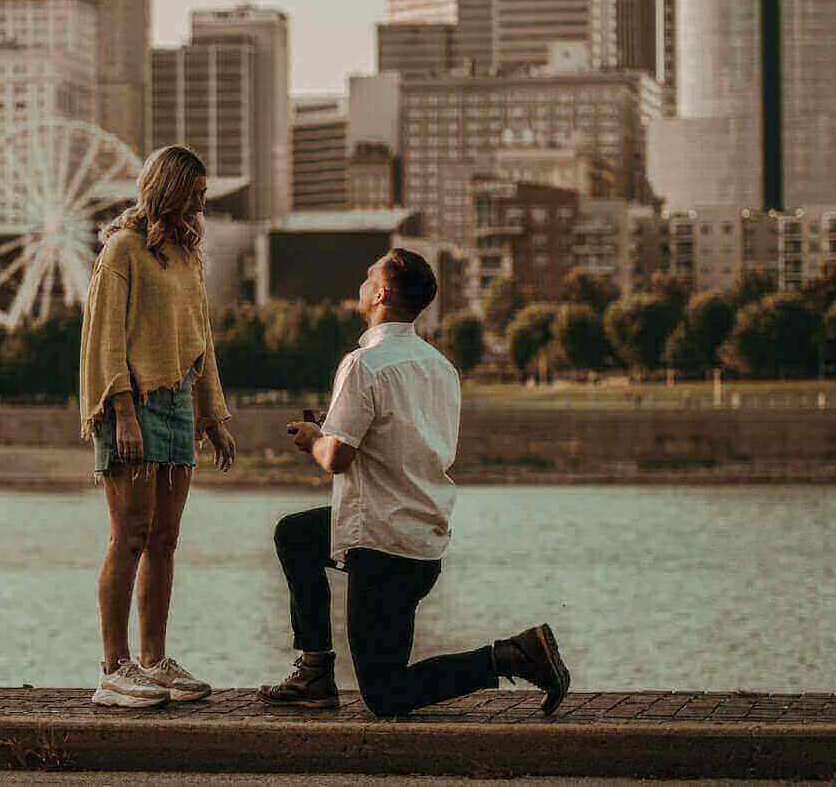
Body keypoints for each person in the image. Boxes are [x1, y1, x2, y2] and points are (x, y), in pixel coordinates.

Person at [257, 248, 571, 717]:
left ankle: (513, 655)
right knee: (296, 535)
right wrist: (340, 428)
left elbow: (337, 458)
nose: (362, 283)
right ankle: (315, 668)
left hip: (379, 546)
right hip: (421, 541)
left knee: (385, 695)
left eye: (368, 276)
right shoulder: (440, 367)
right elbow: (399, 436)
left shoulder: (363, 363)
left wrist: (313, 438)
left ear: (381, 293)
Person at [79, 144, 237, 708]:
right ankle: (113, 670)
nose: (202, 200)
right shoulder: (122, 250)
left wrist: (213, 415)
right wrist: (122, 412)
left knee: (165, 540)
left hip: (177, 406)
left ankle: (154, 661)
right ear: (168, 188)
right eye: (195, 190)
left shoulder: (187, 256)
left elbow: (201, 340)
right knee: (131, 537)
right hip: (134, 405)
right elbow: (104, 340)